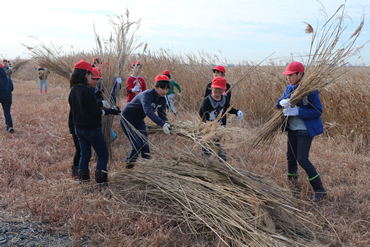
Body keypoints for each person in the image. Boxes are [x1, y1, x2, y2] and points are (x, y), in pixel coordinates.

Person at [276, 61, 326, 202]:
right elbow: (278, 103)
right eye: (287, 75)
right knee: (290, 157)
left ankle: (320, 190)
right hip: (292, 129)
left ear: (300, 74)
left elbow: (317, 111)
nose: (288, 77)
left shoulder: (309, 89)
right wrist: (282, 103)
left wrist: (298, 111)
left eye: (291, 75)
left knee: (302, 159)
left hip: (305, 130)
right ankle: (292, 184)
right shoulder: (289, 88)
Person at [68, 60, 120, 184]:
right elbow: (95, 112)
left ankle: (83, 181)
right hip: (92, 129)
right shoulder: (88, 91)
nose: (91, 77)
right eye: (89, 74)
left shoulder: (73, 90)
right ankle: (101, 182)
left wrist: (100, 103)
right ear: (84, 74)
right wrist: (110, 111)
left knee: (85, 155)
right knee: (103, 154)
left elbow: (83, 107)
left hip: (79, 129)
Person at [120, 74, 171, 169]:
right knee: (137, 145)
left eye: (167, 89)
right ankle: (129, 167)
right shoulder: (147, 95)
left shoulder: (163, 99)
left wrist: (166, 123)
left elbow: (162, 114)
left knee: (145, 146)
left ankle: (146, 169)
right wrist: (161, 124)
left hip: (139, 120)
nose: (165, 91)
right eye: (162, 88)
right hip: (127, 119)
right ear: (156, 87)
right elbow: (148, 111)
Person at [199, 76, 243, 161]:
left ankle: (222, 163)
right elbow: (202, 112)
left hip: (221, 127)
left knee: (221, 147)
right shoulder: (207, 100)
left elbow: (228, 108)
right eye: (216, 88)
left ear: (224, 90)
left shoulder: (224, 98)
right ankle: (204, 162)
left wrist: (237, 112)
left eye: (221, 89)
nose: (218, 91)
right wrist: (206, 123)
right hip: (209, 128)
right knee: (207, 145)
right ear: (212, 88)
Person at [0, 63, 14, 133]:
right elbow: (12, 88)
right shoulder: (8, 78)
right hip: (7, 97)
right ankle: (10, 127)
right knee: (7, 112)